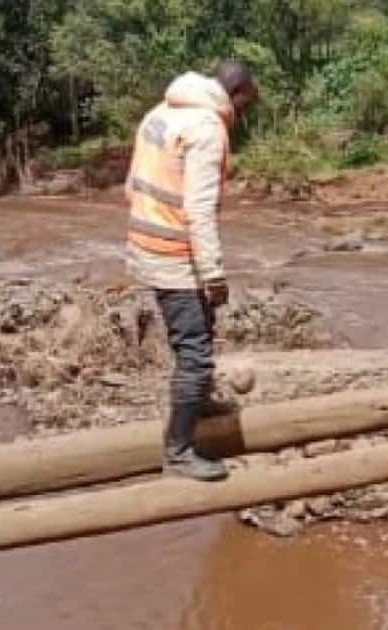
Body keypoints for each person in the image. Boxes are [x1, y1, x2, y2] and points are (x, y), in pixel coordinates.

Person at [125, 60, 259, 481]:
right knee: (196, 355)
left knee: (198, 328)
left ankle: (197, 404)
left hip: (147, 243)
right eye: (245, 106)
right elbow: (199, 210)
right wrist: (213, 275)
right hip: (175, 254)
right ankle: (179, 452)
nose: (241, 116)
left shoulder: (163, 111)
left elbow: (131, 184)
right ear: (236, 94)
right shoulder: (206, 128)